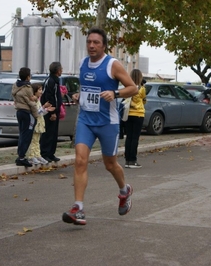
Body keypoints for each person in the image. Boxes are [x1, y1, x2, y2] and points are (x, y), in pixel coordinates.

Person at [62, 27, 138, 225]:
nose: (92, 45)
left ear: (104, 45)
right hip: (86, 120)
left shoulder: (112, 64)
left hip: (107, 122)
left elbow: (133, 88)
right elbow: (87, 88)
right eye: (89, 42)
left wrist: (115, 94)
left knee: (110, 164)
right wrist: (80, 95)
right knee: (79, 161)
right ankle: (78, 207)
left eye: (96, 42)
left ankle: (124, 190)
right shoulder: (83, 64)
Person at [12, 67, 39, 167]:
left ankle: (20, 155)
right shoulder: (27, 88)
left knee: (22, 134)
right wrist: (36, 115)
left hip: (19, 111)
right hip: (27, 113)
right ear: (28, 77)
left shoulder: (15, 86)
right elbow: (31, 102)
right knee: (27, 135)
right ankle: (22, 157)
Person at [40, 62, 63, 163]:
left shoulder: (56, 81)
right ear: (58, 70)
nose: (62, 70)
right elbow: (49, 97)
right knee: (48, 133)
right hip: (50, 112)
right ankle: (45, 153)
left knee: (54, 134)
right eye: (61, 69)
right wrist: (52, 112)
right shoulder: (51, 81)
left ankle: (51, 153)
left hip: (55, 111)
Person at [27, 83, 54, 165]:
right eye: (39, 90)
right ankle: (31, 156)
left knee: (37, 141)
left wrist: (46, 110)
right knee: (33, 140)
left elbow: (40, 113)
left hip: (39, 123)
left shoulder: (38, 100)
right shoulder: (33, 101)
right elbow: (36, 112)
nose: (41, 92)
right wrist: (44, 107)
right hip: (35, 124)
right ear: (34, 91)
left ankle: (37, 155)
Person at [124, 69, 147, 168]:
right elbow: (144, 100)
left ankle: (127, 160)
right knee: (135, 138)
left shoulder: (127, 87)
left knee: (129, 137)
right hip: (138, 114)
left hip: (128, 114)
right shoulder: (142, 88)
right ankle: (133, 160)